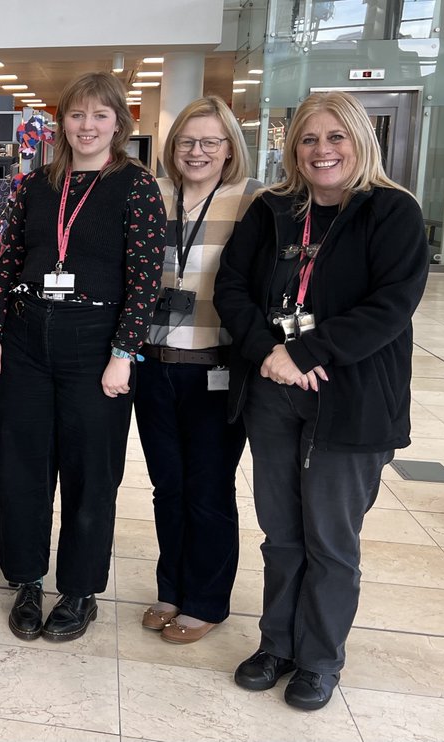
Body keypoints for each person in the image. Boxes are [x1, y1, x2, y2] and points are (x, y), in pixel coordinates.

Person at [214, 91, 428, 710]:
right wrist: (269, 354)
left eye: (336, 137)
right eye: (309, 139)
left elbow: (390, 307)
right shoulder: (273, 210)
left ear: (360, 140)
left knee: (331, 540)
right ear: (293, 148)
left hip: (352, 400)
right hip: (274, 392)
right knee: (280, 532)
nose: (322, 150)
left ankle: (318, 658)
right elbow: (232, 288)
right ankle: (276, 643)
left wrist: (308, 354)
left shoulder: (392, 212)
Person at [0, 72, 166, 642]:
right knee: (24, 465)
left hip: (97, 339)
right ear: (61, 121)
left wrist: (124, 353)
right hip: (28, 337)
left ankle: (80, 589)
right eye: (77, 115)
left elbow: (145, 277)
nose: (87, 126)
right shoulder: (36, 185)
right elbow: (8, 262)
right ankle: (29, 580)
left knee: (91, 472)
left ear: (118, 122)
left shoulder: (136, 186)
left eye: (99, 116)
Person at [133, 96, 262, 644]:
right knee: (167, 486)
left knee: (208, 487)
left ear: (230, 146)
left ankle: (206, 600)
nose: (198, 151)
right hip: (152, 365)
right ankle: (171, 587)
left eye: (211, 141)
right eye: (187, 141)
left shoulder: (255, 201)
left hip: (217, 367)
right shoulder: (150, 196)